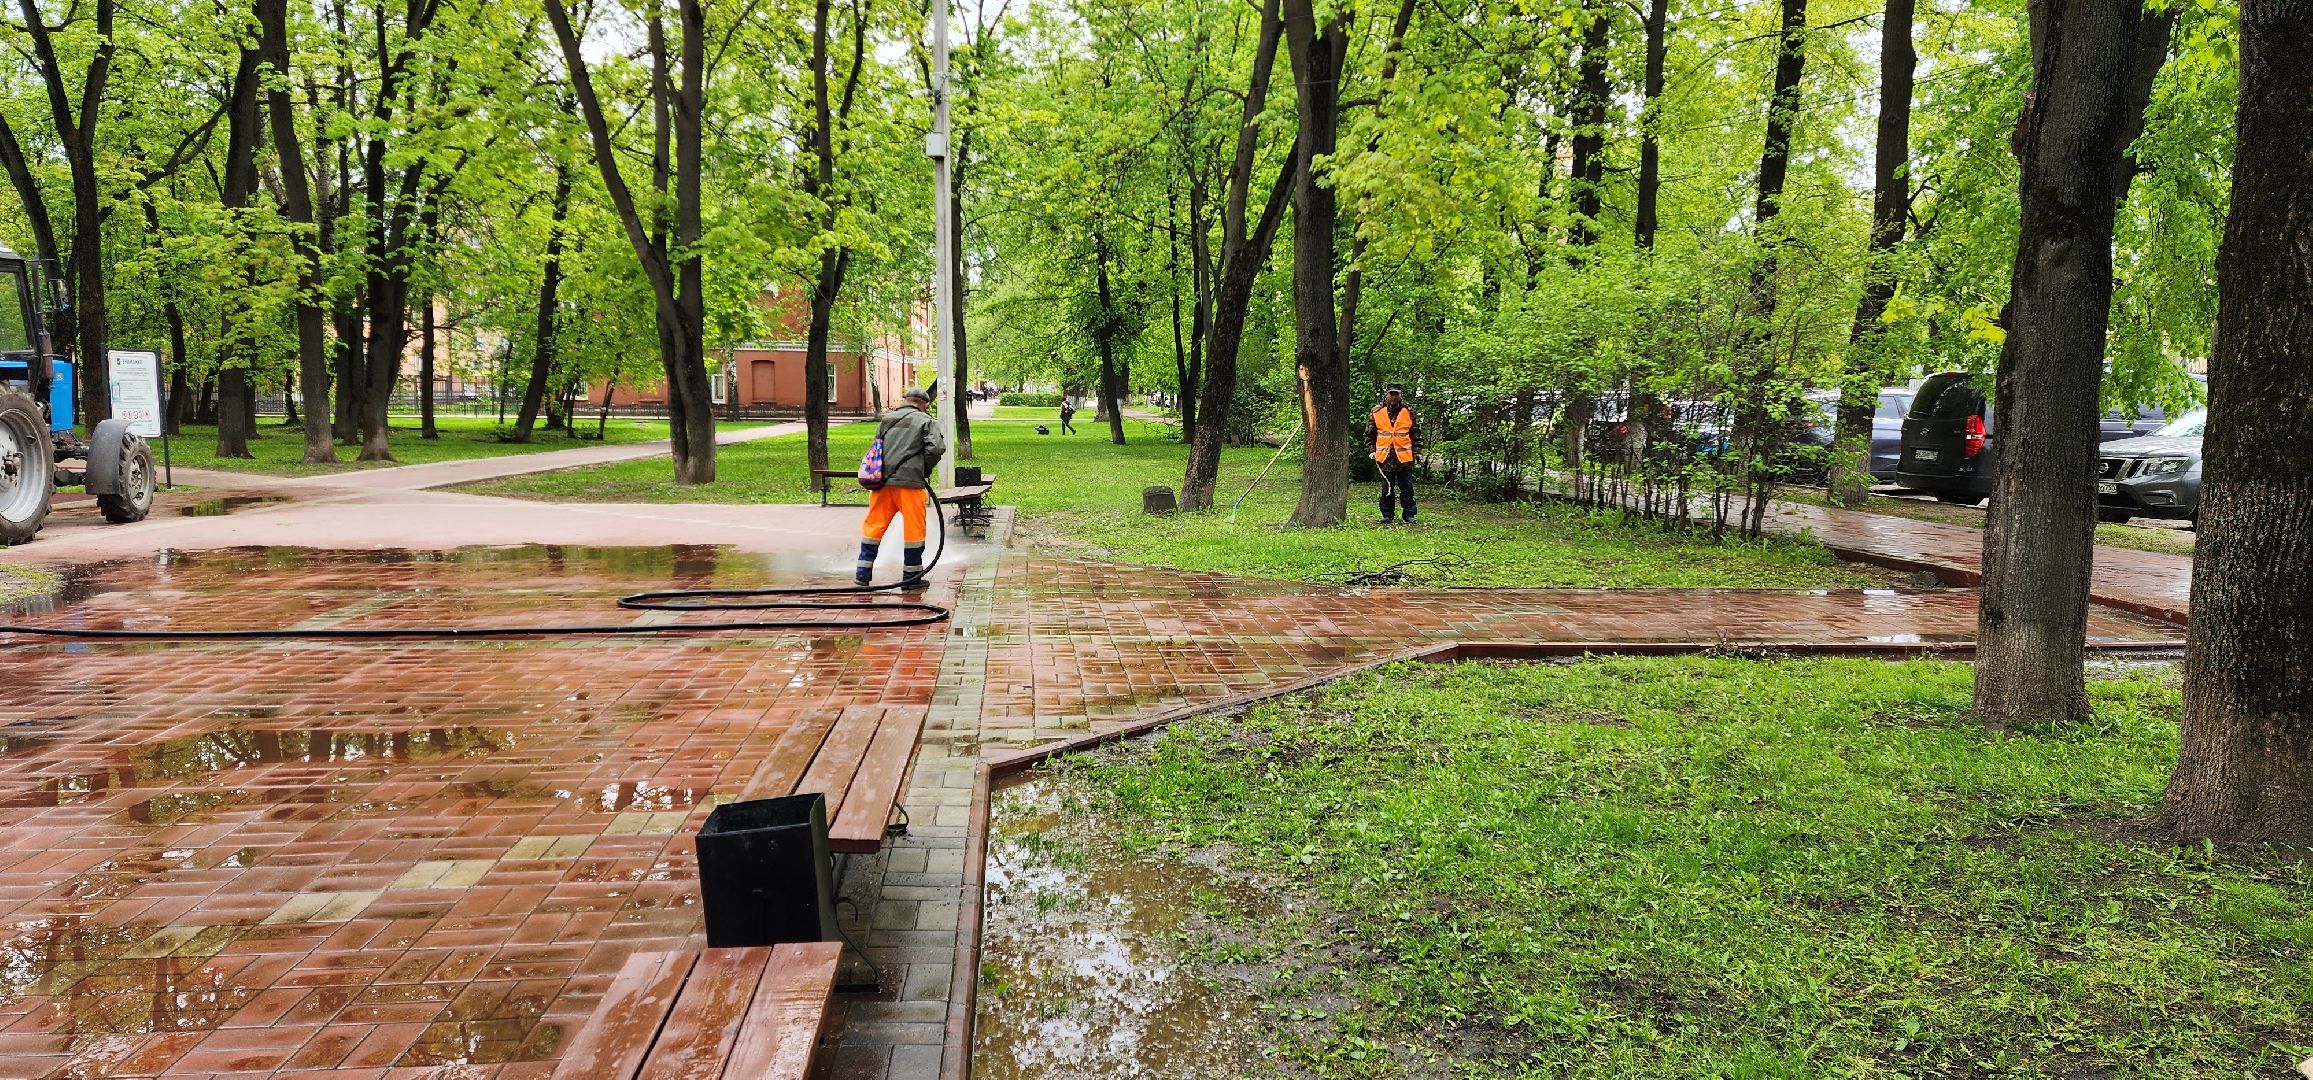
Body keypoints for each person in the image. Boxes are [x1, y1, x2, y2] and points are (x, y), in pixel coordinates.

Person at [858, 387, 946, 586]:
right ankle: (911, 577)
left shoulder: (887, 420)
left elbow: (876, 448)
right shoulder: (926, 421)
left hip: (882, 483)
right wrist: (923, 468)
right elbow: (937, 448)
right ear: (925, 404)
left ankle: (862, 575)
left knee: (873, 526)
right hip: (910, 484)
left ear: (905, 400)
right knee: (914, 530)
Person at [1366, 384, 1418, 524]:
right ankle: (1387, 514)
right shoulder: (1377, 412)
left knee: (1407, 488)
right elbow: (1369, 435)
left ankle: (1409, 514)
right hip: (1385, 457)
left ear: (1401, 395)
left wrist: (1417, 453)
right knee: (1386, 489)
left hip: (1404, 458)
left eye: (1396, 394)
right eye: (1391, 394)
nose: (1393, 396)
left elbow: (1415, 434)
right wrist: (1372, 451)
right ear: (1386, 394)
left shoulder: (1408, 411)